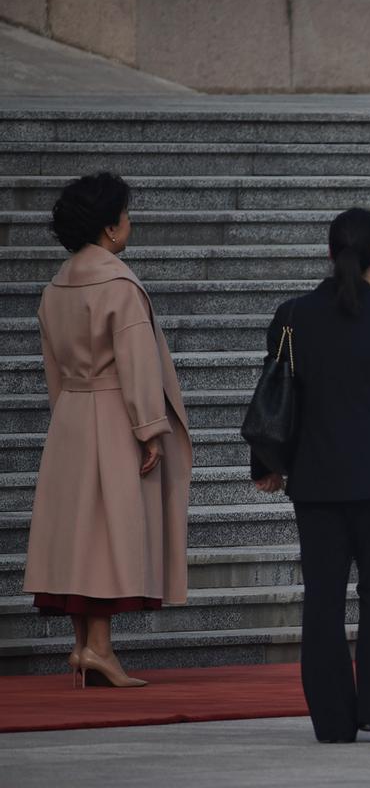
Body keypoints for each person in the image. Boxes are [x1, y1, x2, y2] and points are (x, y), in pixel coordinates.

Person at [251, 207, 370, 743]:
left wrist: (265, 465)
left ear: (331, 254)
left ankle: (332, 718)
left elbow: (273, 392)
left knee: (324, 599)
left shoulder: (293, 314)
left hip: (315, 478)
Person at [22, 172, 191, 689]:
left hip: (71, 416)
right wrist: (148, 429)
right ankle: (99, 648)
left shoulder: (56, 286)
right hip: (114, 414)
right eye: (125, 214)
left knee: (78, 537)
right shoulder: (119, 282)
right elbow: (138, 365)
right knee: (108, 538)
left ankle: (83, 647)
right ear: (111, 228)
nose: (129, 222)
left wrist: (68, 414)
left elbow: (53, 368)